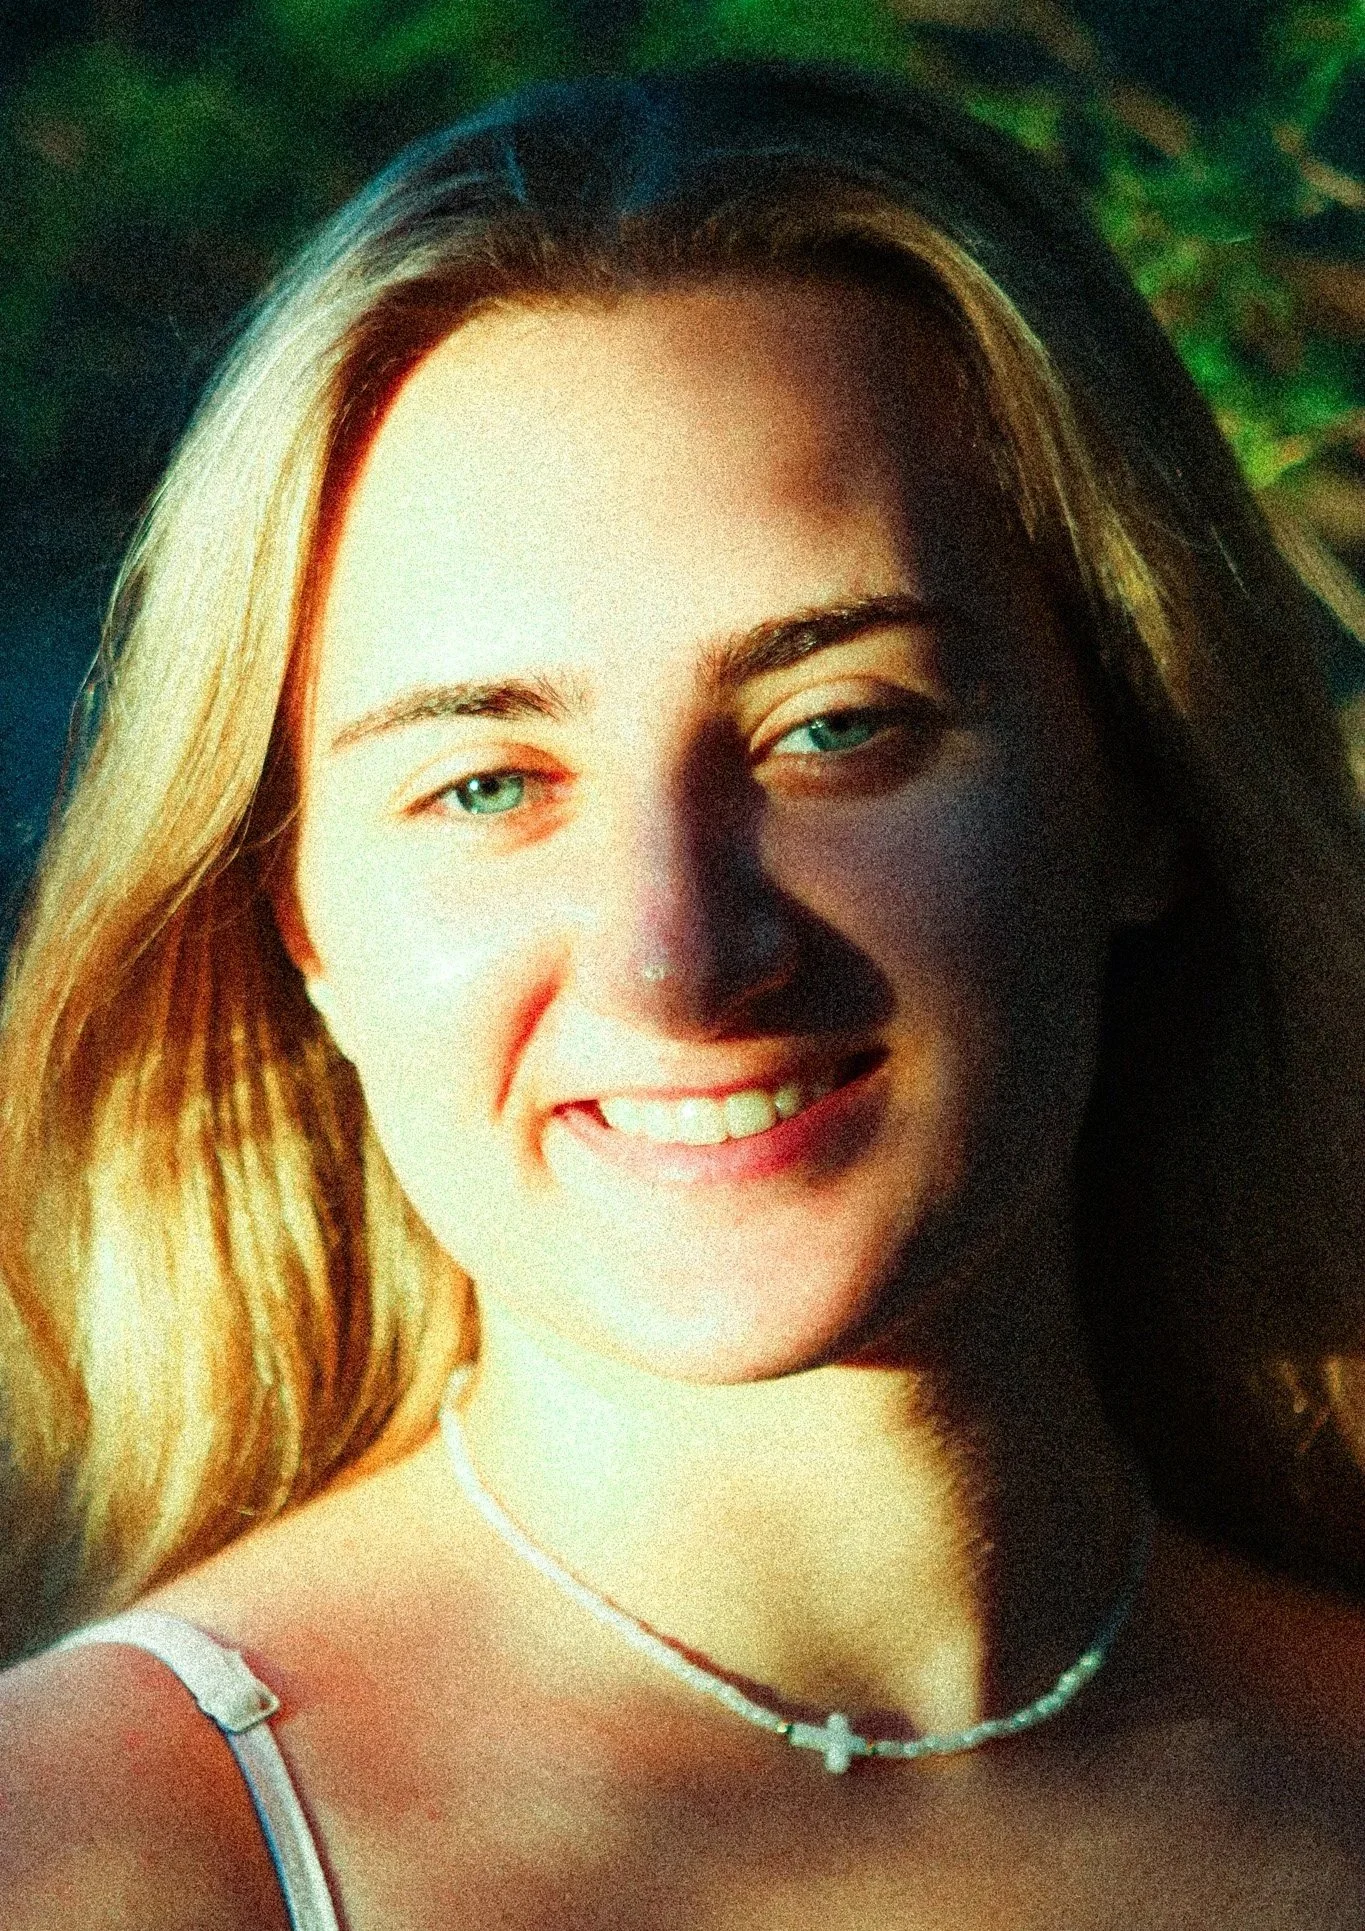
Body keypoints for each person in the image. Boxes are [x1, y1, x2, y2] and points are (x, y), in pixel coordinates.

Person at [2, 58, 1364, 1929]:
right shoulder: (91, 1853)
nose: (676, 951)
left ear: (1139, 784)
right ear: (295, 917)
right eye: (485, 781)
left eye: (837, 728)